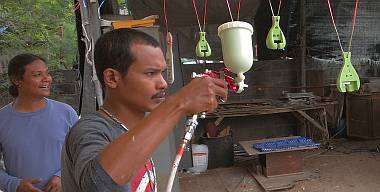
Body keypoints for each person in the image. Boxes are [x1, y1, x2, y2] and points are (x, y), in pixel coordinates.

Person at [61, 28, 228, 191]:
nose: (162, 83)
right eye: (150, 73)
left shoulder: (132, 130)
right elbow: (100, 184)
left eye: (162, 73)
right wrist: (179, 102)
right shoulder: (90, 129)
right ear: (112, 78)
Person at [0, 54, 79, 192]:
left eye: (47, 73)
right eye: (37, 74)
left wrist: (62, 176)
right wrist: (15, 185)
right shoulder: (2, 118)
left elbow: (82, 154)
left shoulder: (66, 113)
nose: (47, 78)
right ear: (16, 80)